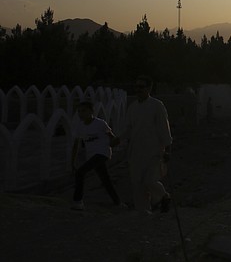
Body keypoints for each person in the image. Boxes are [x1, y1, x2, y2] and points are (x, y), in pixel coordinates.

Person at [120, 75, 173, 213]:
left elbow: (164, 128)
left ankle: (164, 196)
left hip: (154, 151)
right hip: (136, 151)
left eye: (141, 87)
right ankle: (143, 212)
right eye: (136, 87)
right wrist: (117, 139)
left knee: (150, 180)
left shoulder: (157, 105)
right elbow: (128, 128)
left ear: (149, 88)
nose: (138, 89)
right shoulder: (132, 107)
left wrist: (168, 149)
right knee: (137, 184)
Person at [70, 100, 122, 210]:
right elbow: (76, 145)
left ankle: (77, 201)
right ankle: (118, 202)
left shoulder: (100, 123)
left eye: (84, 111)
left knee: (80, 172)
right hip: (92, 155)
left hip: (102, 153)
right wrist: (72, 161)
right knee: (105, 179)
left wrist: (115, 141)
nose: (81, 114)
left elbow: (111, 136)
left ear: (91, 111)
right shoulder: (80, 126)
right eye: (79, 111)